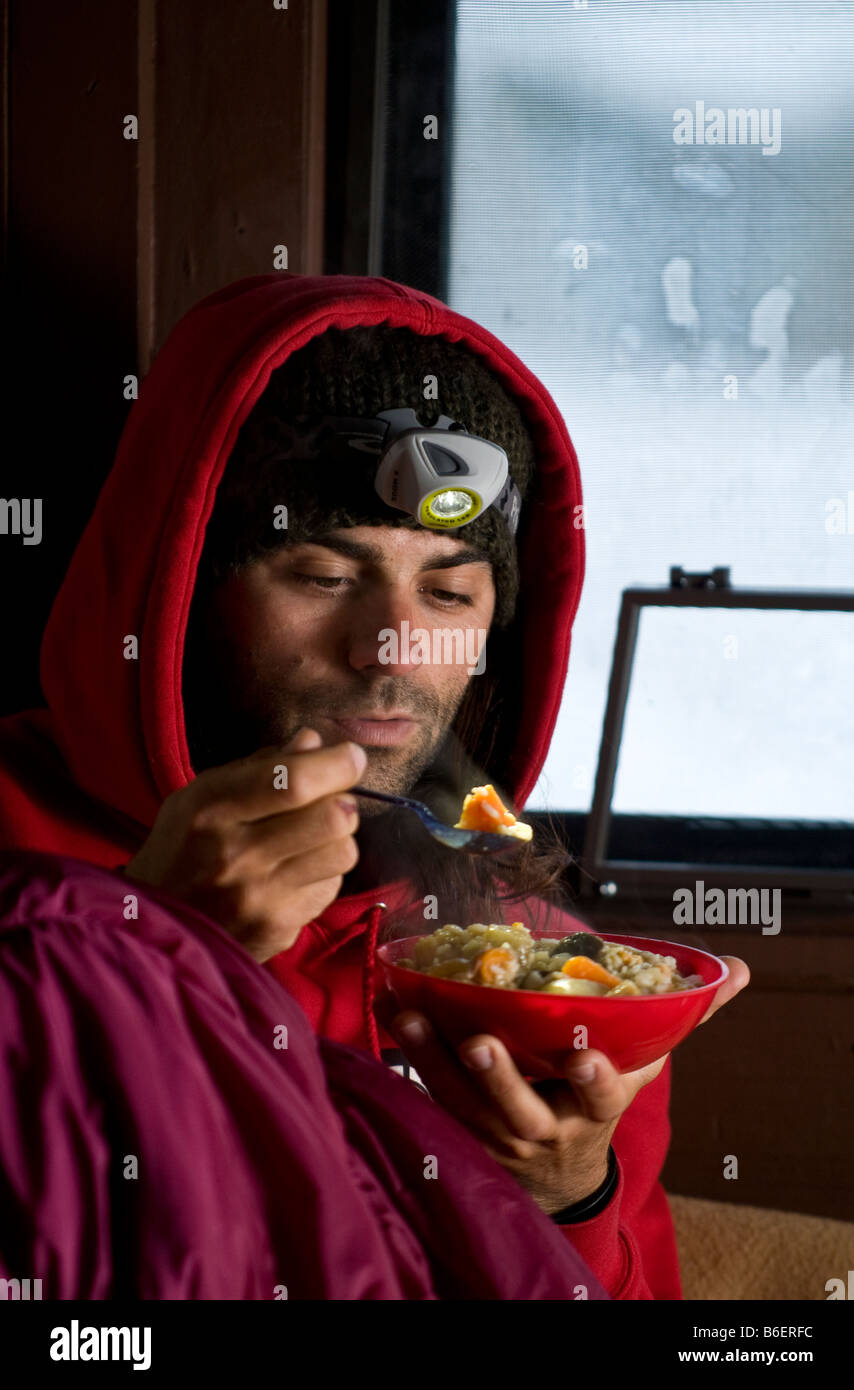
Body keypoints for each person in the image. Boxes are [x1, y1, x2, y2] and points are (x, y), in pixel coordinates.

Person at [0, 272, 747, 1299]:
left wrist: (569, 1197)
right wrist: (146, 950)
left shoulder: (533, 965)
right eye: (323, 576)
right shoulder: (18, 856)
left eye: (447, 590)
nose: (391, 646)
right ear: (179, 585)